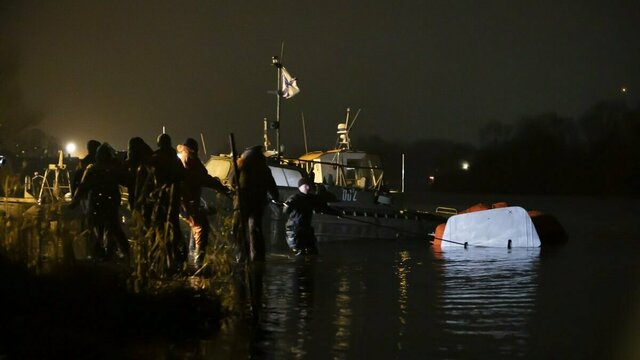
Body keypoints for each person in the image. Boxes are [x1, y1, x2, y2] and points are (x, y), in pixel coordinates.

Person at [69, 143, 130, 261]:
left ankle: (99, 255)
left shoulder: (92, 169)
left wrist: (74, 203)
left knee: (97, 231)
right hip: (109, 204)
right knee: (114, 229)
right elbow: (126, 181)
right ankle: (120, 254)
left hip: (96, 205)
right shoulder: (113, 169)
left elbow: (82, 187)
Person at [177, 138, 231, 268]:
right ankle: (198, 263)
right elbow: (204, 178)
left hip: (181, 202)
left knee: (194, 225)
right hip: (188, 201)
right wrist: (222, 188)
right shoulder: (191, 159)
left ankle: (191, 255)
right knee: (201, 227)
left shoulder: (180, 157)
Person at [233, 145, 279, 262]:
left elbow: (232, 182)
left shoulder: (240, 165)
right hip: (257, 204)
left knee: (239, 230)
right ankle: (257, 257)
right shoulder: (263, 168)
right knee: (255, 230)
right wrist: (275, 198)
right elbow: (272, 186)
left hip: (242, 203)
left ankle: (241, 256)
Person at [148, 133, 186, 270]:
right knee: (173, 227)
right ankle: (176, 257)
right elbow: (183, 175)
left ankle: (161, 258)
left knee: (159, 227)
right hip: (173, 198)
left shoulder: (156, 158)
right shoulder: (174, 159)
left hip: (160, 198)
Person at [283, 177, 340, 256]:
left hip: (306, 229)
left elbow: (324, 208)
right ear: (300, 187)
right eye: (305, 186)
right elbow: (286, 211)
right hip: (295, 230)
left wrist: (337, 213)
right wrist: (287, 206)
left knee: (313, 252)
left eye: (309, 185)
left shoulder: (312, 199)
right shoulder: (294, 198)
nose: (308, 187)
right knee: (300, 253)